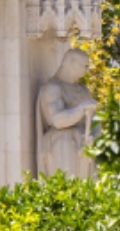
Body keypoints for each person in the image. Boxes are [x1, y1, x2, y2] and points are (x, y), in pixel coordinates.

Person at [37, 49, 98, 178]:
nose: (86, 70)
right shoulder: (52, 88)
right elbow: (57, 120)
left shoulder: (83, 89)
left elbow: (95, 121)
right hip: (63, 145)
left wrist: (95, 139)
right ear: (70, 62)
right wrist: (80, 109)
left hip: (84, 145)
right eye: (84, 65)